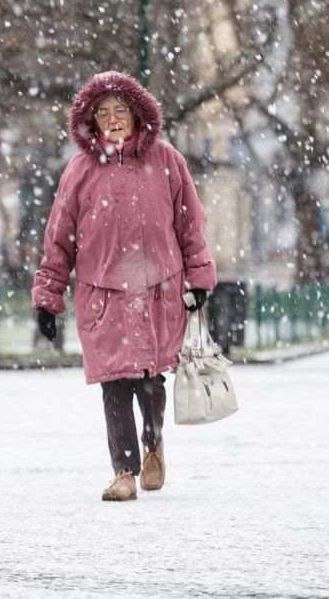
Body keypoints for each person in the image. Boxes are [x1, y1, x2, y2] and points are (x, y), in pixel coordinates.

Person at [32, 71, 216, 501]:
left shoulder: (167, 160)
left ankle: (154, 445)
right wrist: (48, 296)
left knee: (151, 381)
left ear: (136, 115)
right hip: (102, 296)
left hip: (158, 290)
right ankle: (125, 472)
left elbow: (191, 223)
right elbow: (59, 237)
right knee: (114, 384)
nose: (113, 120)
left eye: (120, 111)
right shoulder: (79, 171)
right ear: (91, 122)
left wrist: (200, 277)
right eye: (103, 113)